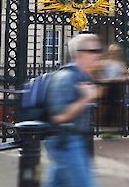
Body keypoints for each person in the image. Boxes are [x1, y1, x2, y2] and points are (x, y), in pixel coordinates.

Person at [45, 33, 102, 187]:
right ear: (79, 54)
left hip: (74, 140)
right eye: (93, 51)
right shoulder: (65, 78)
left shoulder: (83, 77)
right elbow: (59, 116)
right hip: (66, 141)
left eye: (98, 51)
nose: (97, 55)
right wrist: (86, 98)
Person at [97, 43, 129, 136]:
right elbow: (96, 72)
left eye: (116, 52)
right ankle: (105, 130)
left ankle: (115, 130)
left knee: (116, 108)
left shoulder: (120, 64)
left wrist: (122, 78)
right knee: (105, 108)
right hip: (106, 87)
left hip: (116, 87)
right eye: (113, 51)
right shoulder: (105, 63)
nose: (114, 53)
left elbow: (125, 75)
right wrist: (102, 79)